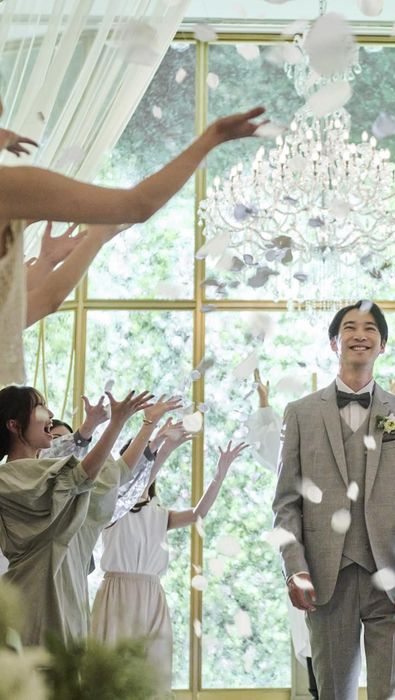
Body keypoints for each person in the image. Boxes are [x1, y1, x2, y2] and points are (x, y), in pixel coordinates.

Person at [0, 102, 266, 384]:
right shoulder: (9, 187)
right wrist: (211, 138)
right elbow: (139, 204)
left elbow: (33, 305)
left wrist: (46, 262)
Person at [272, 301, 395, 700]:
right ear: (334, 342)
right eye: (349, 327)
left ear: (383, 345)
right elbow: (286, 503)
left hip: (393, 579)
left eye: (370, 329)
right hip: (325, 578)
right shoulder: (300, 413)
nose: (359, 335)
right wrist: (295, 569)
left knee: (388, 695)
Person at [91, 426, 246, 695]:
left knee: (153, 674)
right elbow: (135, 484)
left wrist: (219, 475)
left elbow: (198, 514)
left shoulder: (160, 513)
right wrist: (164, 447)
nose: (141, 467)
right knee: (113, 674)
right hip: (118, 593)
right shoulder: (112, 506)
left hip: (152, 595)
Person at [0, 385, 158, 644]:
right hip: (35, 600)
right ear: (14, 425)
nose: (50, 413)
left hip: (70, 593)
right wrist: (116, 423)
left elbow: (116, 474)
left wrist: (149, 424)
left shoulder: (51, 473)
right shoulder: (8, 479)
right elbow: (82, 477)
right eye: (39, 407)